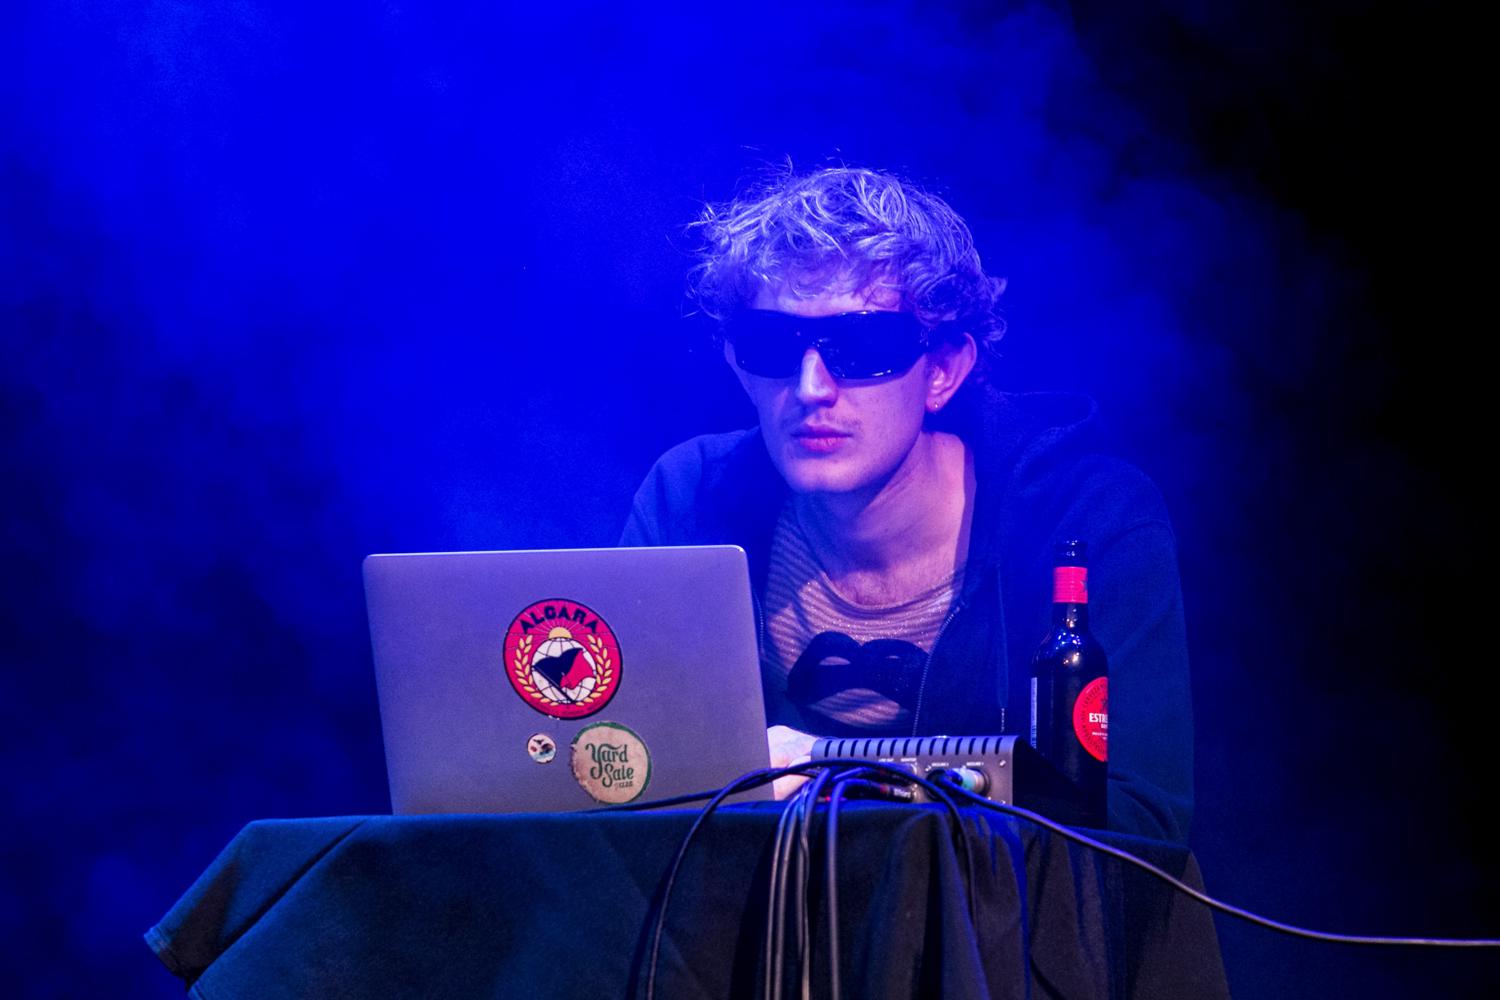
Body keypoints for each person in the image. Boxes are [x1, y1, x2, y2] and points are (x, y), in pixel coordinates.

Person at [619, 166, 1193, 843]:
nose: (811, 387)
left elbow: (1141, 821)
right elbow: (621, 776)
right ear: (738, 365)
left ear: (943, 371)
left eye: (862, 348)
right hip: (742, 911)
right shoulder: (690, 498)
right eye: (771, 345)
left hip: (996, 913)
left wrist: (825, 771)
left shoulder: (1087, 519)